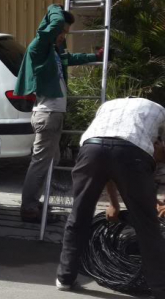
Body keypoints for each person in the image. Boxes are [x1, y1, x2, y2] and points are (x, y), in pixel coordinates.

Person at [56, 97, 165, 298]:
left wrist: (113, 204)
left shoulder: (107, 106)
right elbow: (130, 158)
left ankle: (65, 278)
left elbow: (109, 163)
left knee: (79, 215)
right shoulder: (160, 112)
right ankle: (160, 289)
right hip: (132, 152)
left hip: (92, 148)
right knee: (147, 225)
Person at [14, 4, 103, 222]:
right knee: (40, 163)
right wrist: (54, 8)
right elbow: (52, 25)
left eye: (66, 32)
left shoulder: (54, 52)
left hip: (53, 115)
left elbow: (71, 59)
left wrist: (95, 56)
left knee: (46, 161)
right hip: (48, 114)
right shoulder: (39, 47)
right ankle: (29, 209)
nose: (63, 36)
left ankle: (33, 202)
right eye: (62, 31)